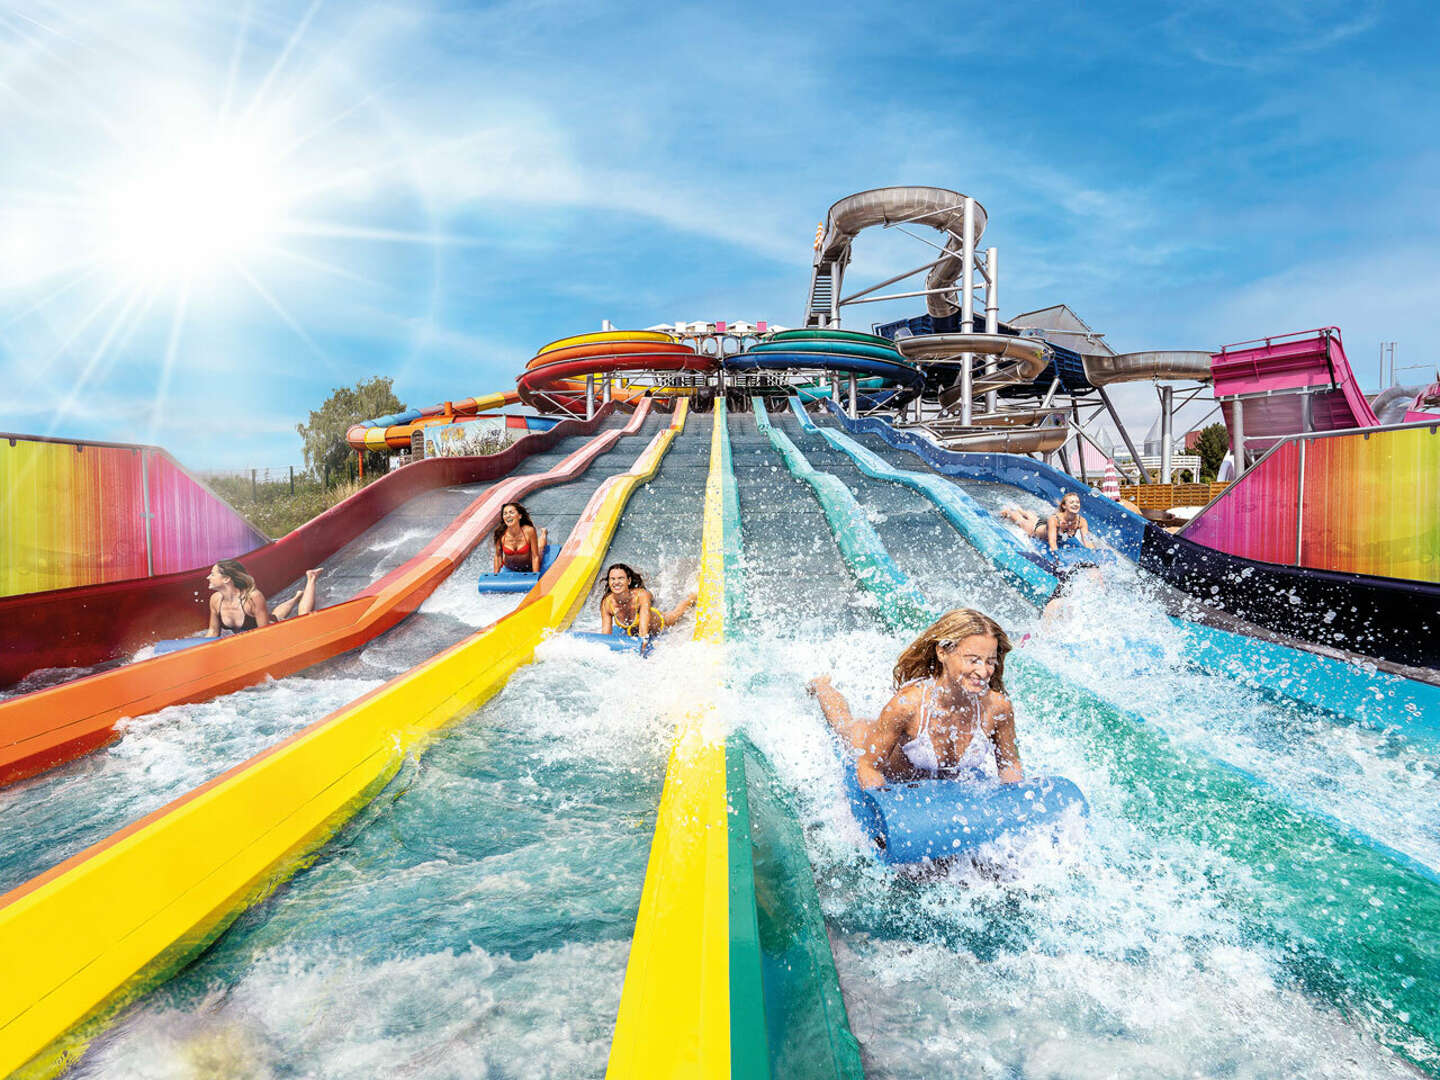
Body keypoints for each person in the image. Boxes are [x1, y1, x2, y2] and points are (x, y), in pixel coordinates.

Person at [808, 608, 1022, 790]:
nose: (983, 671)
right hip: (874, 750)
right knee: (843, 724)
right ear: (943, 653)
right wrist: (885, 811)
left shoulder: (997, 707)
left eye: (990, 662)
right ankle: (821, 686)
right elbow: (868, 767)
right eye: (973, 660)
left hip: (936, 786)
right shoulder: (907, 705)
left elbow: (1009, 767)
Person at [205, 560, 320, 636]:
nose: (208, 577)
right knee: (275, 616)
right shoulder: (215, 600)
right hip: (267, 623)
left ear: (226, 579)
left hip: (276, 633)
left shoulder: (253, 597)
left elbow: (265, 634)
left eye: (213, 574)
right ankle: (297, 597)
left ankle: (311, 578)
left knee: (304, 618)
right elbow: (213, 631)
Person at [598, 563, 696, 641]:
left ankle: (692, 597)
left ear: (629, 581)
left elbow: (643, 634)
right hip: (634, 630)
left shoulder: (640, 596)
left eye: (620, 578)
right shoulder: (607, 603)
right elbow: (605, 637)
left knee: (673, 617)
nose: (616, 582)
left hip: (656, 624)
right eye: (613, 579)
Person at [998, 492, 1096, 555]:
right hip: (1036, 530)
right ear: (1064, 506)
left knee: (1034, 518)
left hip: (1047, 524)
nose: (1075, 504)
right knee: (1019, 519)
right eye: (1072, 502)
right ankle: (1009, 511)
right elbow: (1052, 542)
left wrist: (1095, 555)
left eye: (1077, 502)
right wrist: (1059, 558)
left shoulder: (1081, 521)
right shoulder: (1055, 520)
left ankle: (1023, 511)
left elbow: (1088, 542)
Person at [493, 502, 548, 573]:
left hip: (529, 566)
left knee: (540, 547)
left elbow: (535, 556)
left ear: (519, 516)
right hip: (510, 567)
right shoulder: (500, 533)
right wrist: (495, 576)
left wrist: (535, 575)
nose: (508, 516)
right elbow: (498, 556)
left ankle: (544, 533)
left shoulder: (529, 531)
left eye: (511, 512)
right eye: (505, 513)